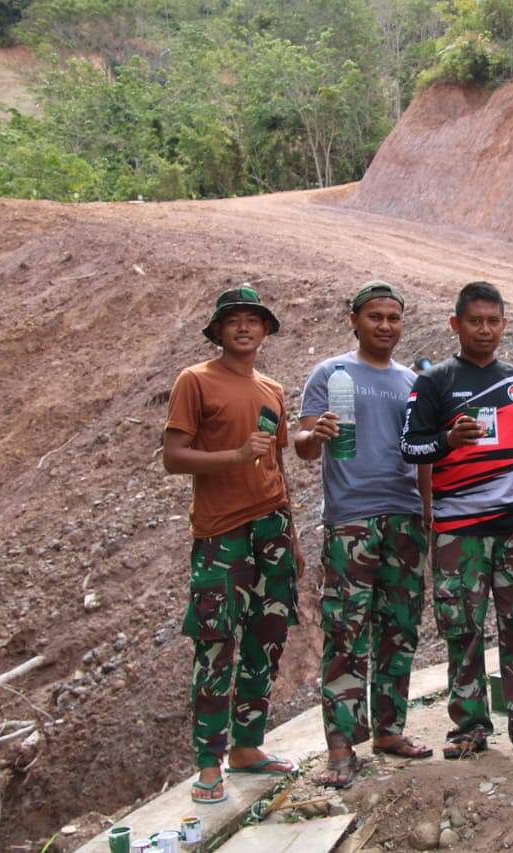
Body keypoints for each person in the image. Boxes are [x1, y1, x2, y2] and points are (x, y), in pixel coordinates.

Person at [400, 281, 513, 758]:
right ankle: (469, 727)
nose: (484, 329)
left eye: (493, 321)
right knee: (463, 629)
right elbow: (410, 446)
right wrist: (447, 441)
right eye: (474, 321)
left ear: (504, 324)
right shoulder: (434, 382)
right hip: (457, 531)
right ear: (455, 324)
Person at [163, 286, 303, 805]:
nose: (244, 328)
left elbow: (277, 465)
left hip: (272, 529)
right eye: (234, 320)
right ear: (218, 331)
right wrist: (236, 456)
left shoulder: (272, 389)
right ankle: (208, 763)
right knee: (215, 645)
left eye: (253, 320)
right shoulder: (195, 380)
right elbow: (173, 456)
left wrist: (291, 534)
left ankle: (247, 748)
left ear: (265, 330)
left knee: (267, 639)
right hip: (220, 532)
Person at [294, 281, 433, 788]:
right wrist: (315, 435)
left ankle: (390, 731)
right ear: (354, 321)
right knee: (346, 632)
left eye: (393, 317)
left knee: (399, 628)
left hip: (405, 518)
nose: (385, 326)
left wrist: (427, 511)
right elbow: (303, 444)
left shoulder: (412, 382)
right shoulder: (331, 374)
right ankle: (341, 747)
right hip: (351, 519)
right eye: (375, 316)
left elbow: (423, 455)